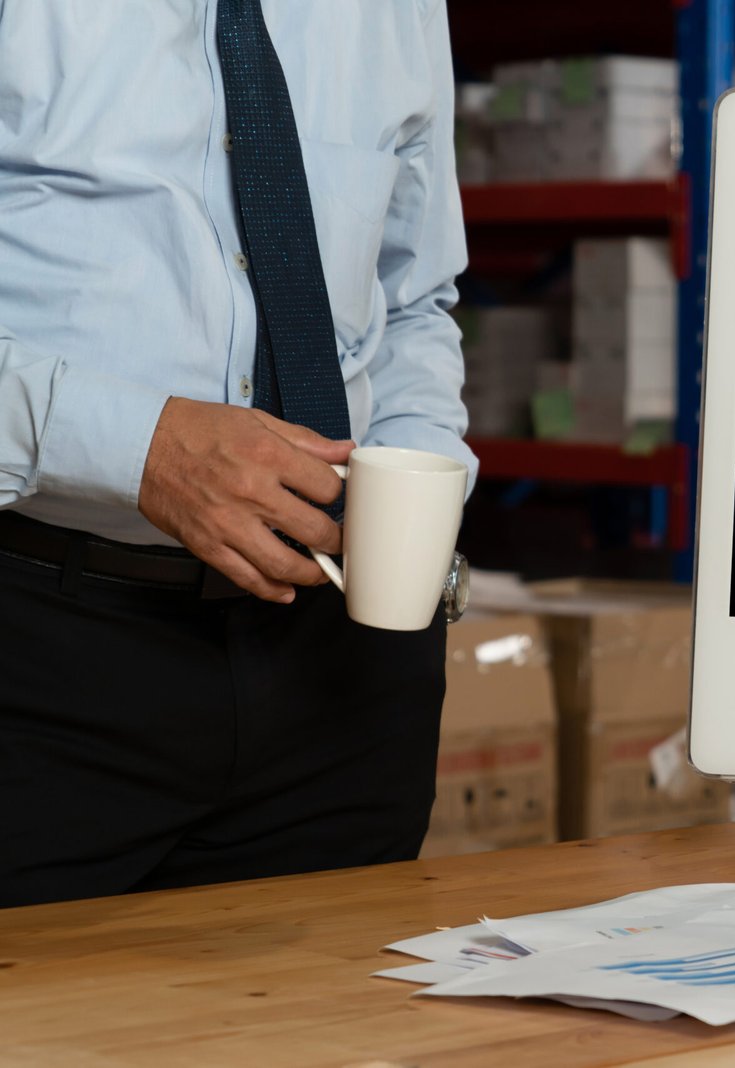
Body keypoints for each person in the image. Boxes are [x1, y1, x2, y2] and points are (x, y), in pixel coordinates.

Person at [0, 0, 476, 907]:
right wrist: (138, 447)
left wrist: (416, 492)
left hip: (345, 670)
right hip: (40, 656)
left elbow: (415, 297)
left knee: (329, 1030)